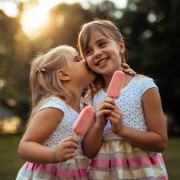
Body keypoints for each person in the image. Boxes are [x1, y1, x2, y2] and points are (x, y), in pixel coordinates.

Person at [78, 19, 168, 179]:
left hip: (141, 171)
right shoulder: (90, 98)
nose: (96, 53)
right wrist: (99, 123)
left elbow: (160, 142)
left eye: (102, 44)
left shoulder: (144, 87)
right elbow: (89, 152)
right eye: (88, 51)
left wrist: (121, 130)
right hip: (104, 172)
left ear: (120, 46)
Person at [16, 45, 95, 179]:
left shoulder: (85, 108)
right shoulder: (56, 107)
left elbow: (91, 150)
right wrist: (55, 153)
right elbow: (24, 147)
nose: (85, 61)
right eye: (77, 60)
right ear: (63, 74)